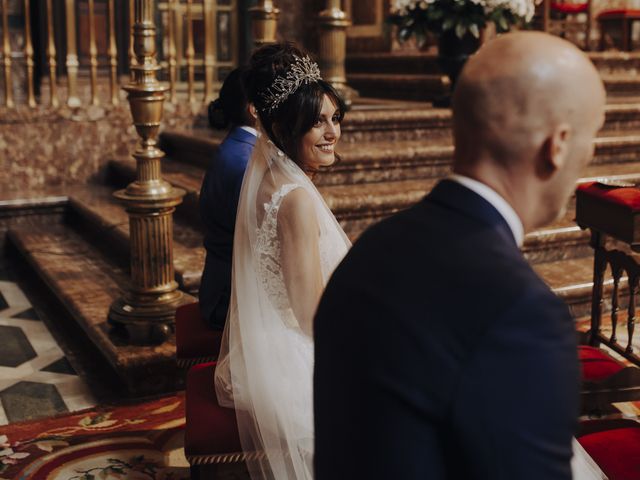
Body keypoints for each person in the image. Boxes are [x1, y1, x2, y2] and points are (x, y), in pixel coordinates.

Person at [314, 32, 607, 480]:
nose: (592, 154)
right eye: (594, 137)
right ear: (559, 144)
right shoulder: (521, 309)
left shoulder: (372, 247)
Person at [214, 43, 351, 480]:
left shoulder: (272, 179)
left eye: (335, 118)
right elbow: (311, 316)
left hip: (266, 341)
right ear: (282, 126)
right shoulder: (294, 199)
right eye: (316, 123)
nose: (331, 133)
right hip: (296, 356)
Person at [199, 67, 256, 330]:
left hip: (226, 283)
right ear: (254, 108)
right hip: (230, 297)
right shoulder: (244, 161)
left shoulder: (239, 147)